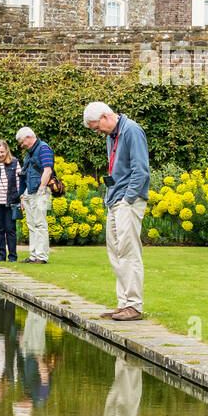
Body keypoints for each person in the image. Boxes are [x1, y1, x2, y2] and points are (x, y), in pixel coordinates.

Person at [83, 101, 151, 321]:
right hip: (114, 198)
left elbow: (141, 170)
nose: (98, 131)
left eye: (97, 127)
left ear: (105, 116)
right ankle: (123, 304)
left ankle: (134, 305)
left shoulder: (132, 131)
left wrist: (129, 198)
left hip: (128, 200)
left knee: (129, 251)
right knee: (115, 252)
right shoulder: (110, 136)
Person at [16, 126, 55, 265]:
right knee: (31, 224)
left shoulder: (44, 148)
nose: (22, 145)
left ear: (28, 137)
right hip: (30, 191)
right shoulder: (30, 152)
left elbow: (48, 170)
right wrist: (23, 194)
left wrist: (42, 188)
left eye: (22, 142)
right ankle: (33, 255)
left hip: (40, 192)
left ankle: (42, 256)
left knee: (40, 224)